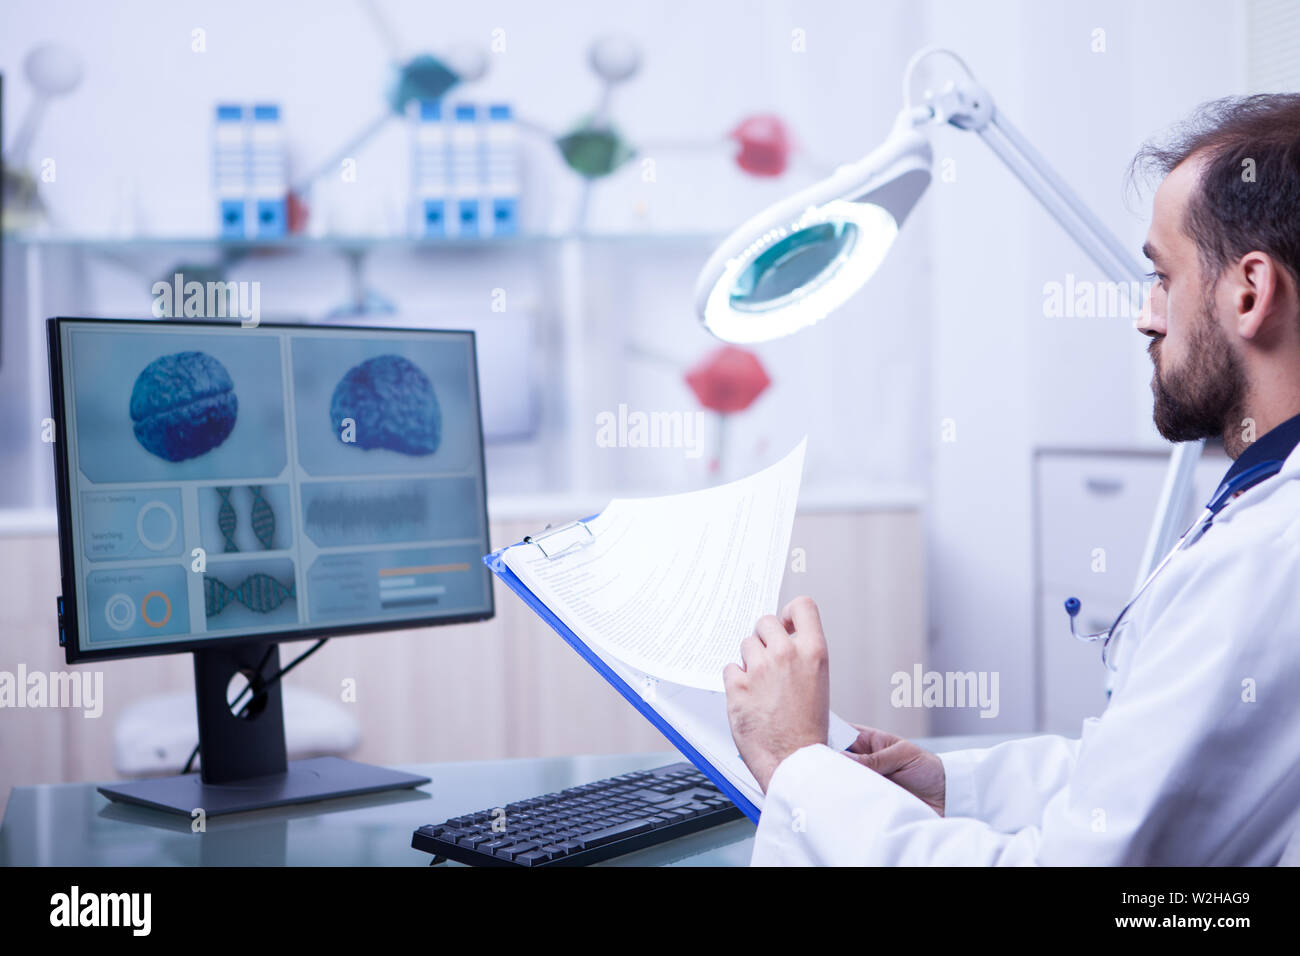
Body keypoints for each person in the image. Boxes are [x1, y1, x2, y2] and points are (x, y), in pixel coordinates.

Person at [723, 94, 1300, 865]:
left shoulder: (1264, 558)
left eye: (1161, 276)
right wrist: (951, 786)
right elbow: (1151, 774)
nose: (1145, 316)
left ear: (1249, 294)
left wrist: (797, 763)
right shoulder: (1264, 513)